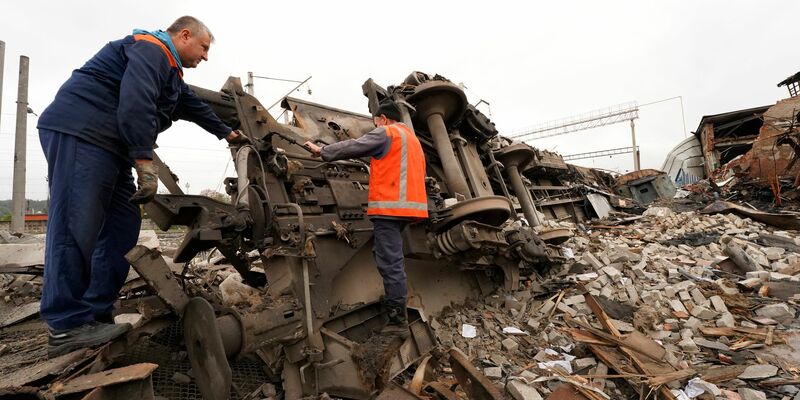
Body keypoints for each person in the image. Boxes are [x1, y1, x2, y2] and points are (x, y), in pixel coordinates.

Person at [37, 16, 243, 357]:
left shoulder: (171, 74)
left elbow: (194, 107)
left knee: (122, 224)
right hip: (83, 133)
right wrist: (144, 160)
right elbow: (137, 103)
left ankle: (95, 312)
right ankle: (65, 325)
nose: (205, 57)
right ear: (185, 35)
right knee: (76, 225)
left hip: (111, 146)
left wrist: (230, 134)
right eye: (204, 48)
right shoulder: (151, 50)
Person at [304, 98, 428, 335]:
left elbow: (356, 145)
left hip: (389, 210)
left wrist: (323, 151)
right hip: (409, 210)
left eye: (376, 122)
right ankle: (394, 300)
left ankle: (397, 321)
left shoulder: (387, 132)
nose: (375, 127)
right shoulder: (411, 139)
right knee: (386, 257)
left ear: (383, 119)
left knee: (390, 264)